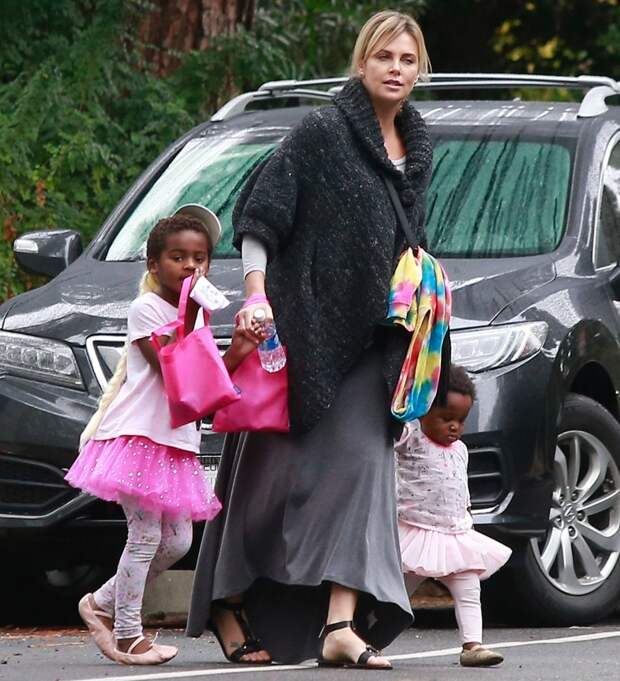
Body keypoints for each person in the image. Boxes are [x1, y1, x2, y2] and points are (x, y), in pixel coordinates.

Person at [187, 10, 439, 669]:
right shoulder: (322, 132)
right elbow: (261, 217)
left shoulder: (419, 147)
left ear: (419, 70)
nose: (395, 69)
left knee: (363, 470)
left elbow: (403, 242)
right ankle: (228, 599)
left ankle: (339, 624)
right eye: (384, 56)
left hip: (379, 339)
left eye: (406, 60)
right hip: (298, 332)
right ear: (362, 62)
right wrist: (256, 294)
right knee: (269, 482)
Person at [66, 207, 261, 666]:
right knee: (145, 535)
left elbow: (201, 392)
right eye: (178, 257)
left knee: (177, 541)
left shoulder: (196, 317)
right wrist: (191, 312)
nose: (190, 266)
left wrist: (237, 352)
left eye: (199, 258)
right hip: (138, 438)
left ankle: (100, 603)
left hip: (173, 443)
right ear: (154, 265)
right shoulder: (147, 309)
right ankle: (128, 634)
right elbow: (173, 371)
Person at [396, 364, 511, 667]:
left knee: (469, 587)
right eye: (446, 418)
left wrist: (467, 516)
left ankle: (473, 645)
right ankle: (368, 638)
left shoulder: (460, 449)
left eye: (461, 420)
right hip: (416, 530)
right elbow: (392, 430)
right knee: (397, 592)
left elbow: (461, 487)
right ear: (424, 412)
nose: (454, 427)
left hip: (455, 533)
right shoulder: (411, 437)